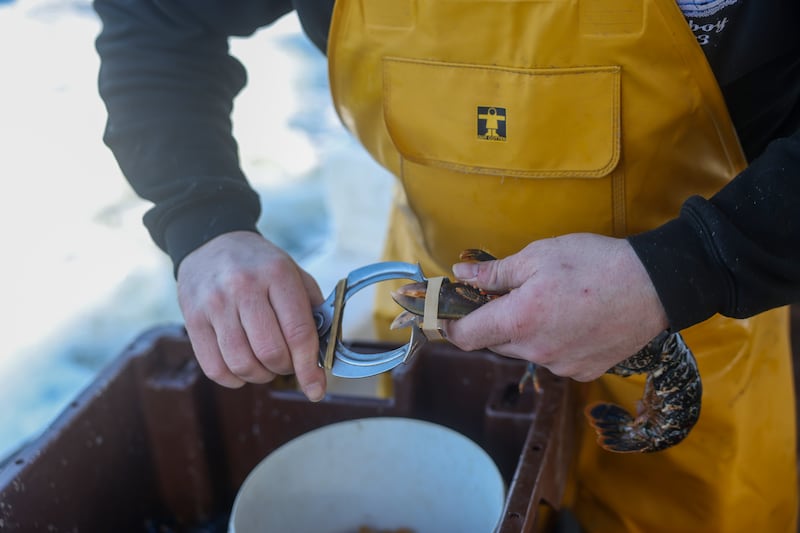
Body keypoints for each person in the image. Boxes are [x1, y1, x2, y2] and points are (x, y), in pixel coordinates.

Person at [93, 0, 800, 531]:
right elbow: (156, 19)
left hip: (702, 326)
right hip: (429, 314)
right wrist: (207, 226)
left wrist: (686, 266)